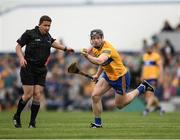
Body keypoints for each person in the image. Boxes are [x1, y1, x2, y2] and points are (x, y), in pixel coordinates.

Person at [80, 29, 154, 128]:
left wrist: (87, 56)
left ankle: (142, 88)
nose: (95, 40)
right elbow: (103, 64)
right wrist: (97, 75)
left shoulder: (107, 49)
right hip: (108, 75)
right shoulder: (94, 48)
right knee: (95, 96)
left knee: (120, 105)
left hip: (120, 77)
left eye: (98, 38)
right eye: (93, 38)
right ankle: (98, 124)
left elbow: (100, 61)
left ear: (102, 38)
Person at [13, 15, 74, 128]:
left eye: (49, 26)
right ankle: (17, 116)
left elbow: (52, 43)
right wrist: (21, 58)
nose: (47, 28)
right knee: (28, 94)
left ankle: (32, 122)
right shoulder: (29, 33)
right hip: (28, 67)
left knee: (37, 95)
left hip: (41, 69)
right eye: (45, 25)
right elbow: (18, 47)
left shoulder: (48, 36)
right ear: (39, 24)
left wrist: (65, 48)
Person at [141, 45, 165, 116]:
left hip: (153, 77)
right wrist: (142, 75)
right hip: (146, 78)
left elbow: (160, 67)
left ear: (152, 49)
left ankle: (146, 110)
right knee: (149, 96)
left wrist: (160, 77)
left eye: (150, 48)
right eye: (147, 48)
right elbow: (144, 66)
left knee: (150, 94)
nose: (149, 49)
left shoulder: (156, 56)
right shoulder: (145, 56)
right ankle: (160, 108)